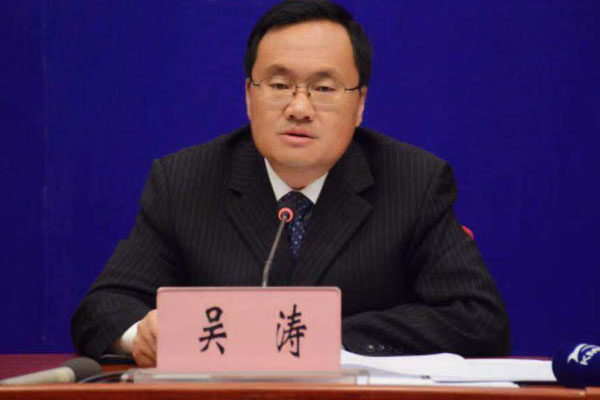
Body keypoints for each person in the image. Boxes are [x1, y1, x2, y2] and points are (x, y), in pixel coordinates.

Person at [72, 0, 510, 367]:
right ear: (249, 95)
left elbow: (478, 321)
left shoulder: (414, 182)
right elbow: (103, 307)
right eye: (280, 84)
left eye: (324, 88)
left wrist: (318, 336)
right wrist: (141, 336)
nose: (299, 108)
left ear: (360, 104)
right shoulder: (184, 181)